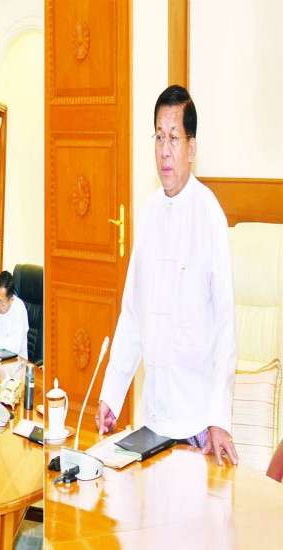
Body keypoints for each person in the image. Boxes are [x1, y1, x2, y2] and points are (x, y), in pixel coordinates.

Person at [96, 85, 238, 466]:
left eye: (174, 138)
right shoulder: (148, 213)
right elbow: (133, 313)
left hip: (199, 424)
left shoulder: (209, 215)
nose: (164, 150)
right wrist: (113, 393)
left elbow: (225, 324)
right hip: (154, 418)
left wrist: (218, 418)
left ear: (192, 148)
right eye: (159, 137)